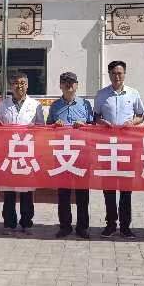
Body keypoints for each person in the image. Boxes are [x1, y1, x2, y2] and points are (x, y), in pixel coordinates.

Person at [94, 60, 144, 239]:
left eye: (120, 73)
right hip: (107, 146)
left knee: (126, 188)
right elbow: (95, 116)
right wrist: (101, 122)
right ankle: (110, 224)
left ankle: (125, 226)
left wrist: (132, 122)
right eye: (114, 73)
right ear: (109, 74)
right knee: (108, 187)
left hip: (127, 146)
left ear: (124, 74)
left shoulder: (133, 93)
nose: (117, 76)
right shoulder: (102, 94)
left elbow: (141, 115)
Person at [0, 71, 45, 235]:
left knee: (27, 192)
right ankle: (9, 224)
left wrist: (35, 129)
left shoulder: (35, 105)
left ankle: (26, 223)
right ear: (11, 86)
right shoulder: (3, 105)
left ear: (27, 85)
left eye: (22, 83)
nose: (19, 86)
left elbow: (41, 128)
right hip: (8, 153)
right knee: (9, 192)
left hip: (27, 152)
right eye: (16, 83)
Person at [47, 72, 93, 239]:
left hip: (82, 154)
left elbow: (94, 127)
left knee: (82, 194)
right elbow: (47, 127)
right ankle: (65, 226)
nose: (69, 85)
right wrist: (54, 125)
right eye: (65, 82)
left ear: (77, 85)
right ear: (60, 85)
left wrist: (85, 125)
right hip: (62, 154)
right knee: (63, 193)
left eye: (72, 82)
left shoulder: (85, 105)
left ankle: (82, 227)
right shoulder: (54, 106)